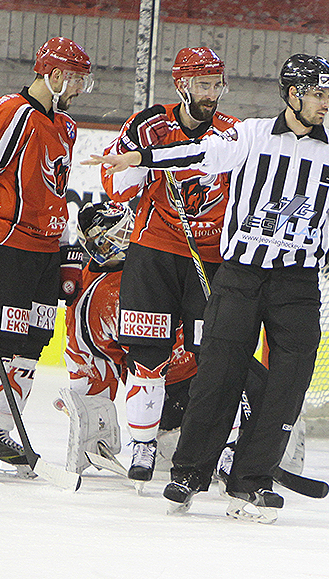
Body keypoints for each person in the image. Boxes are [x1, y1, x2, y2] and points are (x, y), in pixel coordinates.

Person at [88, 53, 329, 523]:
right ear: (293, 94)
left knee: (289, 383)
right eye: (319, 94)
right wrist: (139, 158)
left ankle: (251, 480)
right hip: (240, 277)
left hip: (298, 284)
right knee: (218, 373)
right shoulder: (252, 135)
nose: (327, 103)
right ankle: (189, 474)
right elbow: (198, 154)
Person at [0, 36, 93, 479]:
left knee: (30, 347)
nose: (80, 89)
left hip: (44, 254)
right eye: (77, 80)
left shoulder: (66, 126)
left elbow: (56, 192)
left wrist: (66, 247)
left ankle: (3, 431)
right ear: (55, 75)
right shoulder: (9, 112)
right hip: (6, 248)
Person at [100, 47, 238, 487]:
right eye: (203, 85)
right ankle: (143, 444)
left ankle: (226, 448)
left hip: (209, 259)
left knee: (214, 357)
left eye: (216, 84)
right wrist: (133, 158)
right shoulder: (150, 125)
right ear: (182, 85)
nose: (211, 93)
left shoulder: (232, 133)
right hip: (154, 253)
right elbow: (117, 187)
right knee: (147, 353)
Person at [58, 201, 199, 479]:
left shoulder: (161, 258)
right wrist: (89, 412)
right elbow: (90, 360)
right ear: (98, 245)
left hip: (203, 372)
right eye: (120, 234)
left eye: (130, 228)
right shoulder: (90, 297)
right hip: (165, 392)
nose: (130, 237)